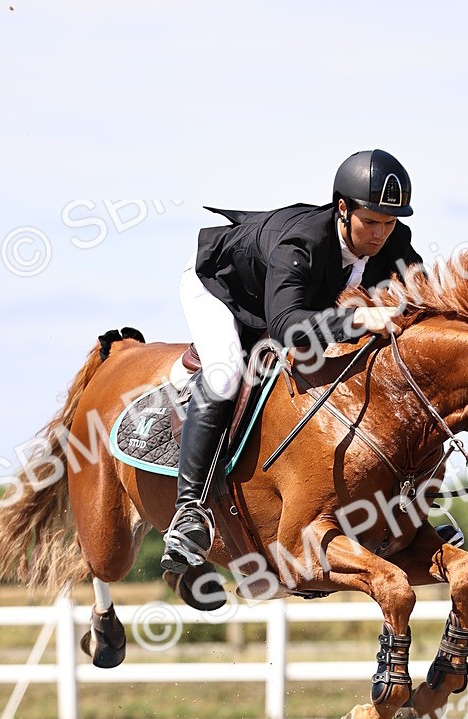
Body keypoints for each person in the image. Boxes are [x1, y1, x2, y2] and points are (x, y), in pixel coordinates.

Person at [160, 149, 423, 575]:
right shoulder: (302, 242)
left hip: (286, 301)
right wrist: (358, 317)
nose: (380, 234)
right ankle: (189, 512)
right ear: (342, 208)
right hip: (222, 289)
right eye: (370, 221)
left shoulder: (395, 242)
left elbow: (419, 303)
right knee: (226, 373)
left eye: (389, 223)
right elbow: (284, 327)